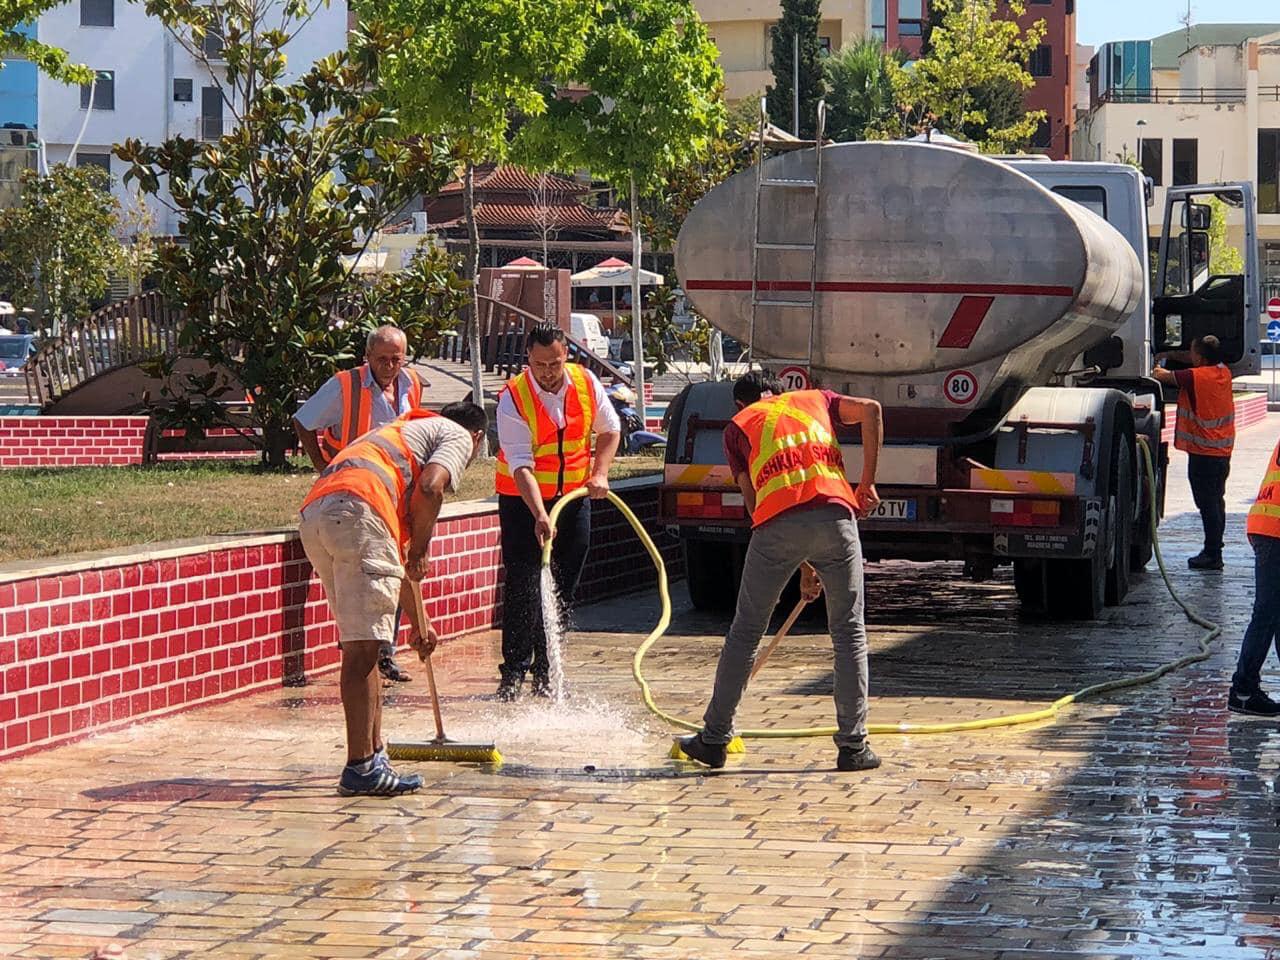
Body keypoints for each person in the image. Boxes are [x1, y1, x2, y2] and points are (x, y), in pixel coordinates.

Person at [677, 372, 884, 772]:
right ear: (781, 392)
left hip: (775, 527)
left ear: (741, 404)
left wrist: (798, 560)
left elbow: (754, 503)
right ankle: (854, 747)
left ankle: (714, 739)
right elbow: (872, 410)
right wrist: (866, 484)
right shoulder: (816, 400)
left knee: (745, 633)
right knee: (848, 633)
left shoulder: (738, 426)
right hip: (836, 519)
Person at [298, 401, 487, 796]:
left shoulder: (402, 434)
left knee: (364, 643)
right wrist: (421, 549)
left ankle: (374, 754)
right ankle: (360, 768)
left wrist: (420, 624)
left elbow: (393, 559)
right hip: (357, 512)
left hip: (318, 515)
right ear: (478, 438)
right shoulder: (456, 434)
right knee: (363, 650)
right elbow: (431, 488)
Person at [494, 325, 621, 701]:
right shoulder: (513, 397)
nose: (548, 372)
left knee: (563, 583)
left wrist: (600, 473)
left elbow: (610, 430)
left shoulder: (586, 383)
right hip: (523, 502)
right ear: (528, 359)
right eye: (540, 364)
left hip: (573, 498)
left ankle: (547, 671)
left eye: (555, 363)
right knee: (524, 583)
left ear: (566, 356)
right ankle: (514, 672)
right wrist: (539, 514)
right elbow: (520, 464)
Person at [294, 324, 426, 681]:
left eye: (396, 359)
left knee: (394, 568)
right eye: (381, 359)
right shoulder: (345, 385)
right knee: (363, 571)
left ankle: (386, 652)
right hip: (353, 493)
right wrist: (323, 467)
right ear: (367, 357)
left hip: (393, 490)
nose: (389, 366)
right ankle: (364, 652)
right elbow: (303, 421)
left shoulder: (411, 384)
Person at [1152, 335, 1236, 570]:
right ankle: (1215, 548)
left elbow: (1162, 376)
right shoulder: (1223, 372)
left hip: (1203, 453)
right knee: (1216, 501)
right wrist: (1169, 354)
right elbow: (1190, 361)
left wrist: (1156, 364)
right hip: (1222, 451)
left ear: (1201, 358)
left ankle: (1212, 554)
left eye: (1193, 352)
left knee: (1207, 504)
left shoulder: (1195, 377)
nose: (1190, 356)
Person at [1228, 431, 1280, 716]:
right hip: (1274, 530)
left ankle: (1245, 690)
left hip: (1269, 527)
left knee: (1274, 613)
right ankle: (1243, 690)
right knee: (1267, 612)